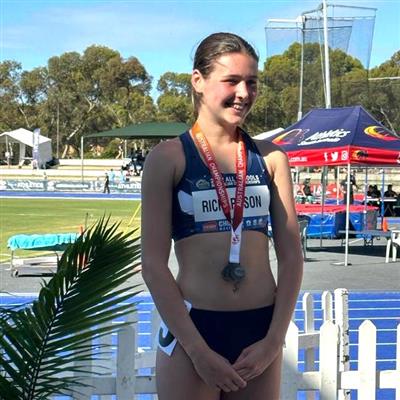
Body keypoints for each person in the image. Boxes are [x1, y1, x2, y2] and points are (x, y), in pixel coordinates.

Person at [141, 32, 303, 399]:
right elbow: (152, 264)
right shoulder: (167, 159)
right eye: (231, 80)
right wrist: (198, 351)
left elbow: (292, 255)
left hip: (260, 331)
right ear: (198, 81)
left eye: (252, 82)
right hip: (193, 330)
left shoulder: (271, 159)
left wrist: (274, 341)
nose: (244, 93)